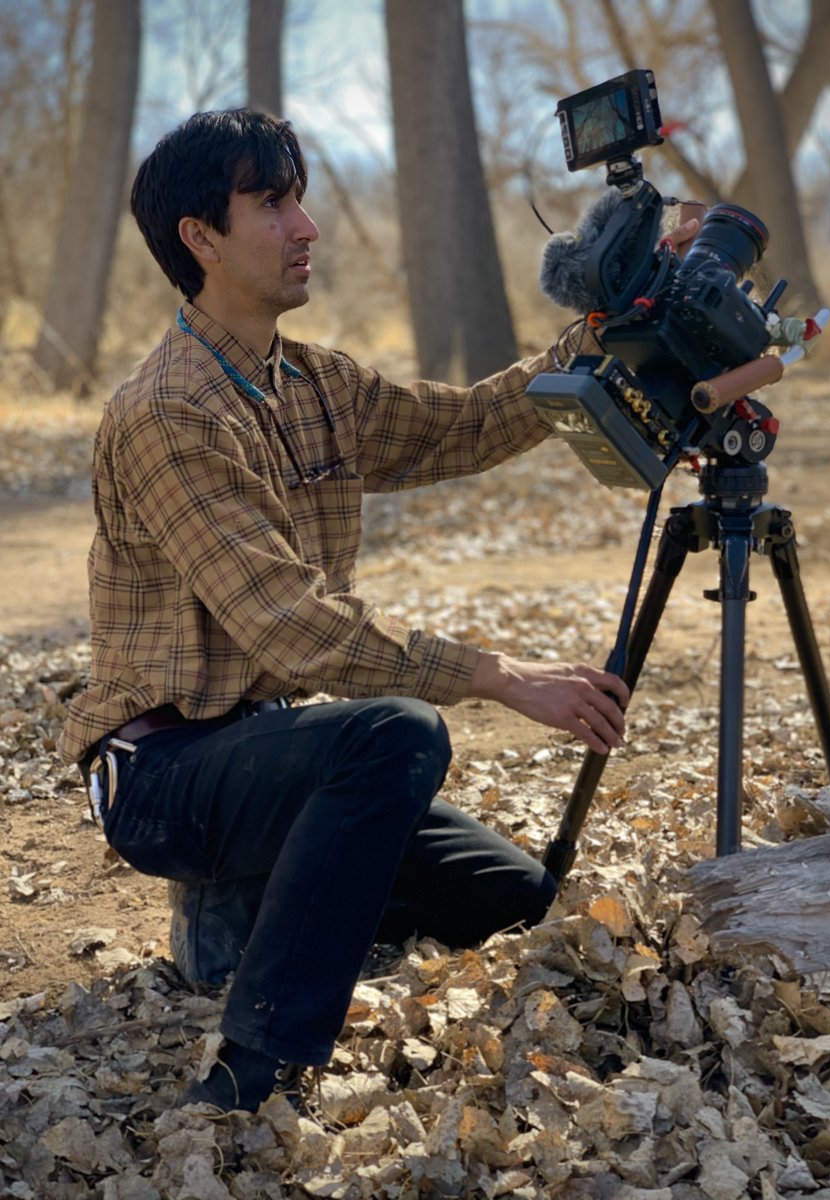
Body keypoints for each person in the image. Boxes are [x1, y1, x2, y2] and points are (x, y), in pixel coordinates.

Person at [59, 109, 695, 1113]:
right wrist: (500, 676)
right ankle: (254, 1066)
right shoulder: (168, 412)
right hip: (163, 771)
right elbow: (289, 626)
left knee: (515, 900)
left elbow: (470, 424)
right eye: (272, 203)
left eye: (300, 198)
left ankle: (264, 898)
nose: (306, 225)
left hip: (277, 746)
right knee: (396, 736)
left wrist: (603, 330)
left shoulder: (312, 382)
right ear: (200, 238)